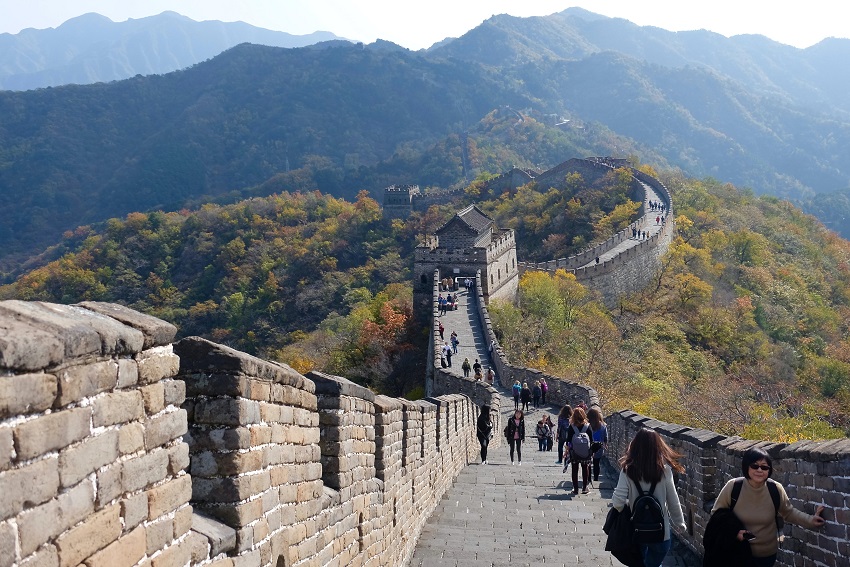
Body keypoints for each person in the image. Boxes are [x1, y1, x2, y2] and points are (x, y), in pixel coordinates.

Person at [708, 447, 825, 567]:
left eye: (764, 467)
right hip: (737, 553)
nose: (759, 470)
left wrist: (811, 520)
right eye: (755, 466)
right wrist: (734, 533)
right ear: (746, 466)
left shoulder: (775, 489)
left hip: (766, 556)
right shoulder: (733, 487)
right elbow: (716, 516)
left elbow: (788, 512)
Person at [612, 428, 687, 567]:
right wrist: (679, 523)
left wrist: (629, 504)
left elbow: (617, 502)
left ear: (635, 445)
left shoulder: (628, 470)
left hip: (636, 530)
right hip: (661, 532)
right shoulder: (665, 471)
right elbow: (673, 501)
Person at [566, 407, 593, 494]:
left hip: (574, 452)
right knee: (585, 468)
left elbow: (568, 441)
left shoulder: (572, 426)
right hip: (585, 452)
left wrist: (568, 450)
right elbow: (592, 440)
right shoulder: (587, 426)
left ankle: (575, 489)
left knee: (574, 469)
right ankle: (584, 488)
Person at [587, 408, 608, 481]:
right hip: (599, 447)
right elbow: (605, 437)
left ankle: (588, 478)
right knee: (596, 463)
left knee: (588, 463)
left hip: (588, 446)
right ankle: (596, 478)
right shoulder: (603, 426)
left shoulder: (587, 425)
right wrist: (605, 444)